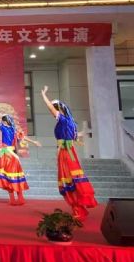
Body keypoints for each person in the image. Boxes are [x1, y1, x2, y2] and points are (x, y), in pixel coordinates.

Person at [41, 85, 98, 221]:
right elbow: (75, 136)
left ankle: (78, 209)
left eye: (55, 109)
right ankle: (79, 208)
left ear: (59, 109)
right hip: (69, 151)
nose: (52, 111)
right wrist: (82, 134)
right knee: (73, 179)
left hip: (66, 153)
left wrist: (43, 94)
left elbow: (50, 107)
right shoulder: (70, 122)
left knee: (68, 179)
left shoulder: (62, 119)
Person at [0, 108, 37, 205]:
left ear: (5, 121)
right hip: (7, 153)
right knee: (11, 176)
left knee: (12, 175)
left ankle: (17, 198)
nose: (1, 122)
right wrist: (33, 142)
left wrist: (33, 142)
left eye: (3, 120)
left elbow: (23, 137)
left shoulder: (11, 129)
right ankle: (15, 199)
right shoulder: (8, 128)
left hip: (9, 154)